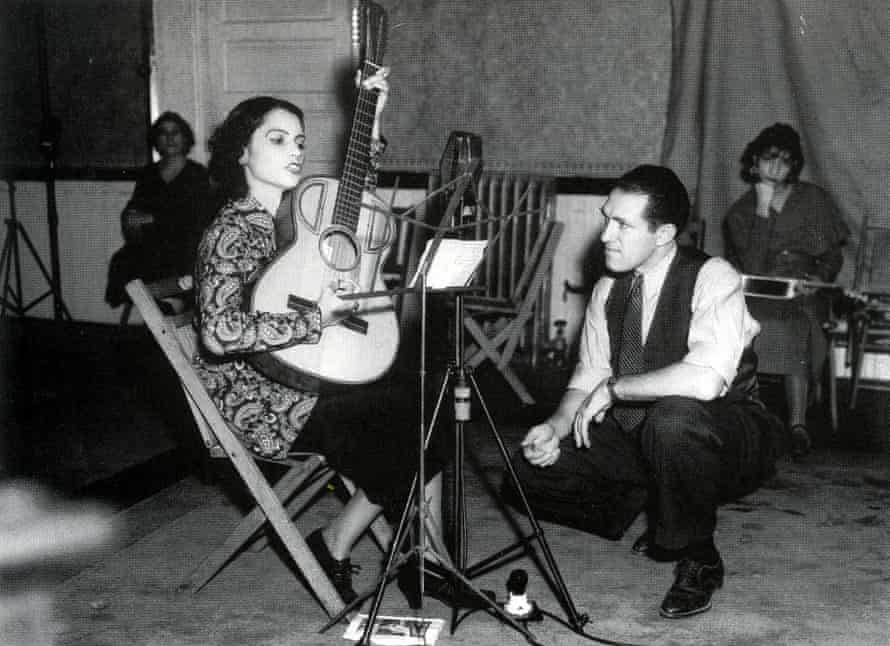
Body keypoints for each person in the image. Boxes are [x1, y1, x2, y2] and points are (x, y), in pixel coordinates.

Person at [191, 71, 448, 608]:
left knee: (435, 400)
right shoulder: (232, 228)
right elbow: (218, 333)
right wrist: (316, 321)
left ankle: (426, 556)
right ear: (242, 152)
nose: (295, 152)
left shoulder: (295, 215)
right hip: (266, 402)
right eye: (277, 139)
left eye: (301, 142)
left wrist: (371, 118)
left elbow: (356, 199)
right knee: (407, 422)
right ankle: (372, 549)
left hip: (315, 375)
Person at [507, 165, 783, 619]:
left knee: (673, 420)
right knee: (528, 468)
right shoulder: (608, 288)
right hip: (648, 435)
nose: (605, 236)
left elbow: (706, 380)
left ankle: (699, 554)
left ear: (664, 233)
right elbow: (587, 376)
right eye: (606, 218)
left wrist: (617, 388)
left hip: (728, 434)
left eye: (623, 225)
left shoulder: (714, 276)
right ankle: (662, 505)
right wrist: (555, 428)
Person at [723, 123, 849, 456]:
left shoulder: (813, 199)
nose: (776, 167)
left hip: (805, 291)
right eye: (768, 158)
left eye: (785, 160)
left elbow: (832, 255)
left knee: (795, 325)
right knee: (739, 323)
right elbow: (752, 269)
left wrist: (819, 279)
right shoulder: (740, 211)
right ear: (754, 162)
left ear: (794, 165)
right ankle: (747, 415)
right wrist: (762, 209)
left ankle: (797, 425)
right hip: (759, 293)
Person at [105, 112, 210, 308]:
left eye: (175, 132)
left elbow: (199, 217)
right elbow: (135, 207)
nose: (169, 138)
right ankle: (160, 304)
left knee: (173, 261)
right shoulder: (149, 174)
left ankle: (171, 303)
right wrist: (130, 218)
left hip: (184, 243)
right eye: (163, 133)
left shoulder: (198, 174)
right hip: (151, 242)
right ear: (156, 140)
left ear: (185, 137)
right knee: (123, 260)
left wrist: (154, 219)